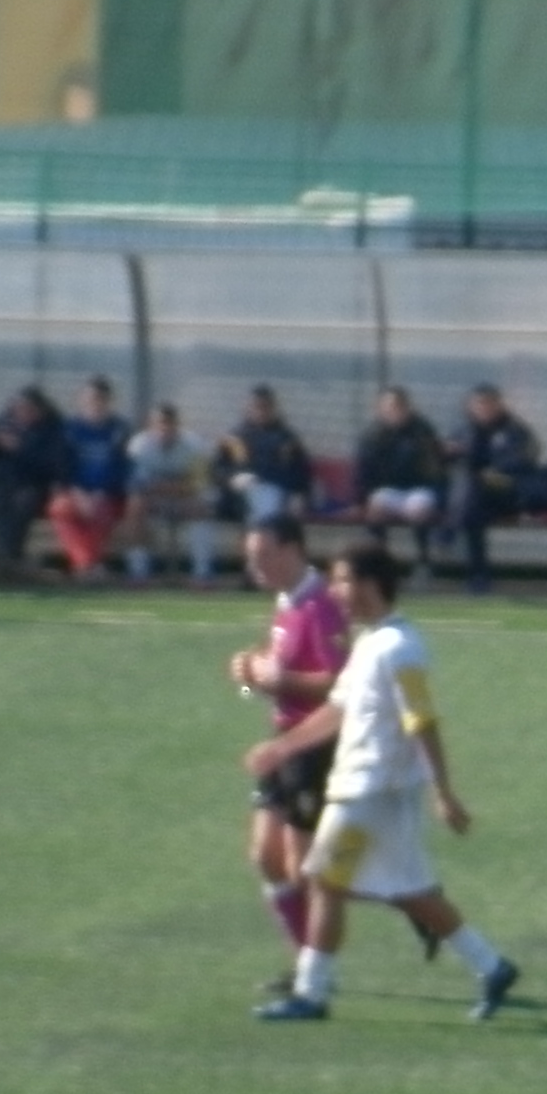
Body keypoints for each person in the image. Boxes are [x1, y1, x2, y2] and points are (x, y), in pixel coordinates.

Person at [247, 543, 520, 1024]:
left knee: (324, 882)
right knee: (408, 892)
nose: (336, 592)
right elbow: (337, 709)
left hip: (370, 791)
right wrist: (283, 748)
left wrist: (443, 790)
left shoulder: (399, 648)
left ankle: (312, 994)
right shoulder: (373, 642)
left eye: (343, 581)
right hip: (372, 790)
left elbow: (422, 719)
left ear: (372, 585)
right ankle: (491, 966)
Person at [226, 514, 351, 969]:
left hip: (315, 745)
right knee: (264, 855)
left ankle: (412, 902)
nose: (256, 567)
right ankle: (305, 966)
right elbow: (270, 681)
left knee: (306, 869)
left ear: (293, 550)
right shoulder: (286, 601)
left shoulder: (320, 605)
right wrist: (246, 676)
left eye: (263, 557)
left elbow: (339, 681)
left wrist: (283, 679)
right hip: (284, 741)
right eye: (250, 559)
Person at [450, 382, 543, 594]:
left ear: (498, 404)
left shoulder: (515, 430)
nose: (483, 409)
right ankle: (479, 575)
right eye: (478, 405)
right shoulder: (464, 429)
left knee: (471, 499)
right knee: (472, 507)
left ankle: (449, 531)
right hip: (475, 500)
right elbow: (447, 458)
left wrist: (495, 470)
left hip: (509, 495)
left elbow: (525, 461)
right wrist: (450, 452)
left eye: (487, 404)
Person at [48, 377, 136, 581]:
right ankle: (88, 565)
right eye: (90, 399)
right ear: (81, 400)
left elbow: (124, 468)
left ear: (109, 401)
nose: (95, 403)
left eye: (100, 399)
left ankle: (84, 567)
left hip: (108, 494)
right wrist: (77, 493)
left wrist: (101, 492)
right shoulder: (68, 429)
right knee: (59, 509)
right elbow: (61, 467)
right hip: (75, 492)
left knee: (100, 510)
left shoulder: (120, 429)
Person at [0, 386, 67, 577]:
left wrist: (20, 449)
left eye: (28, 409)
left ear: (39, 410)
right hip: (3, 483)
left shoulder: (53, 428)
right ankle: (8, 557)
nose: (23, 413)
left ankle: (3, 557)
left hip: (34, 484)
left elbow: (50, 465)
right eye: (19, 408)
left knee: (23, 502)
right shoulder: (4, 422)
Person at [353, 386, 452, 561]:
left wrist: (440, 498)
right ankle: (379, 561)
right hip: (390, 491)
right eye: (388, 407)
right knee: (377, 504)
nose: (393, 412)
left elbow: (436, 469)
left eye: (398, 407)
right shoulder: (372, 435)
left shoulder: (422, 431)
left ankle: (423, 560)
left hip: (420, 489)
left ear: (407, 408)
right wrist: (361, 499)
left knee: (418, 508)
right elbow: (363, 470)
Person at [126, 401, 219, 585]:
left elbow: (198, 485)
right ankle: (139, 571)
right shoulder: (139, 447)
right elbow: (138, 487)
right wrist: (177, 485)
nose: (164, 429)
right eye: (160, 423)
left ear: (177, 425)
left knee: (201, 507)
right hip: (155, 502)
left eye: (169, 424)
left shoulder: (195, 446)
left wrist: (163, 486)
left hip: (184, 502)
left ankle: (202, 573)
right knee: (135, 506)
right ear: (151, 425)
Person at [215, 386, 314, 527]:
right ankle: (258, 541)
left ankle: (259, 542)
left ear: (274, 408)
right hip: (238, 495)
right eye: (256, 406)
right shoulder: (234, 437)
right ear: (248, 407)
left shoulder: (286, 439)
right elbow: (219, 468)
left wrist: (299, 495)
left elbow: (301, 473)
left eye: (266, 407)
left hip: (276, 492)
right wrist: (231, 479)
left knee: (266, 499)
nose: (261, 411)